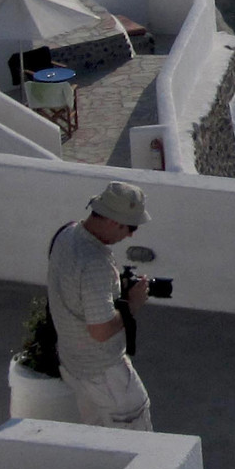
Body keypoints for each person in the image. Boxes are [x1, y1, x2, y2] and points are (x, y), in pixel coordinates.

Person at [45, 181, 155, 431]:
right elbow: (101, 330)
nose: (131, 235)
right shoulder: (95, 262)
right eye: (131, 227)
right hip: (104, 372)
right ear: (115, 222)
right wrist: (132, 304)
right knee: (139, 436)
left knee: (98, 435)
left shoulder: (67, 234)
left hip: (74, 364)